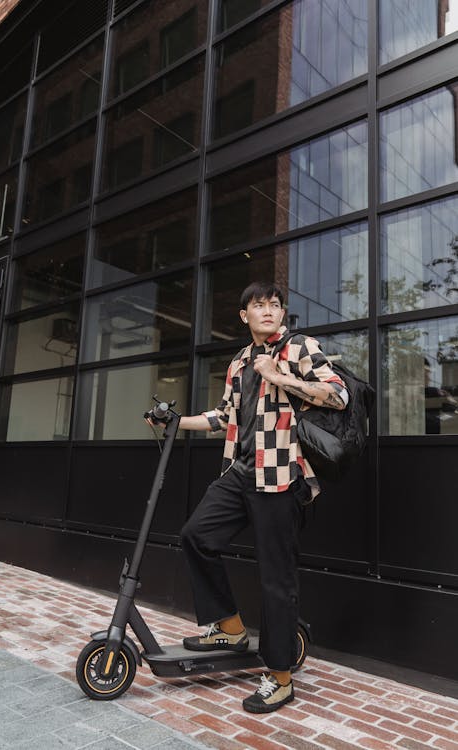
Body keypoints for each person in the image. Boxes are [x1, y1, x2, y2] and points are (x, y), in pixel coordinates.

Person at [178, 281, 348, 714]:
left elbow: (338, 395)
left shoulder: (299, 347)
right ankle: (231, 629)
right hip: (240, 470)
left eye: (274, 304)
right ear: (244, 316)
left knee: (276, 578)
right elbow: (224, 415)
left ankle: (280, 677)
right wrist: (178, 421)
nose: (268, 310)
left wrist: (281, 377)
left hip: (281, 475)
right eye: (258, 305)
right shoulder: (238, 361)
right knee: (197, 535)